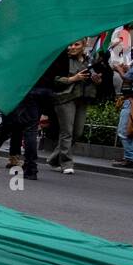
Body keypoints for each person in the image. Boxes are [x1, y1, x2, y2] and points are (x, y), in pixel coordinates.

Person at [45, 39, 98, 174]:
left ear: (84, 45)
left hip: (83, 98)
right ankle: (67, 163)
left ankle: (53, 158)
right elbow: (53, 79)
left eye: (76, 44)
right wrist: (73, 79)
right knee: (66, 131)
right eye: (70, 44)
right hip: (65, 98)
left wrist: (97, 80)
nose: (72, 47)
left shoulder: (90, 60)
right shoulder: (63, 59)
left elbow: (98, 80)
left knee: (77, 132)